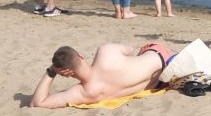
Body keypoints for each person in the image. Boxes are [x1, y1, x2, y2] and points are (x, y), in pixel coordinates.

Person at [30, 41, 176, 109]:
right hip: (162, 59)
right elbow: (130, 49)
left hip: (156, 84)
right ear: (80, 56)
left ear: (65, 73)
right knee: (142, 51)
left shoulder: (83, 93)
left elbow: (38, 103)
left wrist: (51, 72)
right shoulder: (105, 52)